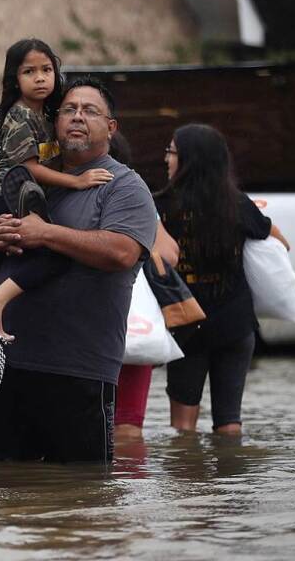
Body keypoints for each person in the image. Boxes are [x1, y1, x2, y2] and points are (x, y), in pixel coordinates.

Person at [0, 77, 158, 464]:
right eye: (69, 110)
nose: (77, 117)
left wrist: (46, 233)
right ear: (54, 121)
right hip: (5, 368)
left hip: (79, 370)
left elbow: (122, 252)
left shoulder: (124, 186)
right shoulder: (28, 174)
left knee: (82, 493)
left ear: (111, 128)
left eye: (90, 111)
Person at [0, 39, 113, 340]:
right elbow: (31, 168)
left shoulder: (49, 115)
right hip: (1, 197)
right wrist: (78, 181)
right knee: (54, 254)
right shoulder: (19, 116)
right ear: (15, 79)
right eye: (29, 71)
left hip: (16, 197)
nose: (40, 78)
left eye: (46, 70)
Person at [159, 123, 288, 435]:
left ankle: (189, 470)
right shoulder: (238, 204)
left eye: (171, 152)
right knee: (230, 424)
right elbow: (279, 242)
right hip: (236, 324)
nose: (166, 159)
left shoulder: (161, 205)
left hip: (187, 324)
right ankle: (232, 468)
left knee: (183, 428)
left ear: (189, 159)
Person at [108, 131, 181, 442]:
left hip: (81, 329)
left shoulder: (62, 194)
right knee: (127, 425)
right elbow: (169, 255)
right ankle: (127, 475)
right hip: (133, 321)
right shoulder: (136, 197)